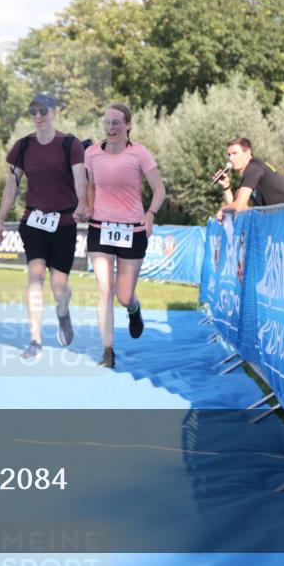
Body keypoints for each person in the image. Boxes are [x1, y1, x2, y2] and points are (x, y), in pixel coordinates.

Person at [0, 93, 89, 359]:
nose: (37, 116)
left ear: (54, 112)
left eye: (43, 111)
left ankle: (62, 311)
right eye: (33, 111)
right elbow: (11, 185)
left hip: (64, 222)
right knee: (34, 277)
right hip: (33, 221)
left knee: (60, 286)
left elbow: (81, 180)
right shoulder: (22, 146)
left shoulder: (71, 144)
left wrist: (83, 202)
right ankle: (35, 339)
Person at [84, 103, 166, 369]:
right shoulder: (92, 153)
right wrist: (85, 207)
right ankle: (108, 351)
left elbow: (159, 189)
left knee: (122, 295)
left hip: (132, 230)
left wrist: (151, 214)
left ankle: (134, 309)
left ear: (128, 125)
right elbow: (91, 187)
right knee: (104, 289)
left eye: (117, 122)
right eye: (107, 122)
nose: (111, 128)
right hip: (100, 229)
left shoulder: (139, 153)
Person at [216, 137, 284, 220]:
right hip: (280, 219)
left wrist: (223, 210)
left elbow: (238, 206)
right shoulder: (251, 171)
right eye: (229, 155)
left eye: (235, 153)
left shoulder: (254, 167)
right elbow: (239, 209)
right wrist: (226, 187)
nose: (231, 158)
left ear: (248, 153)